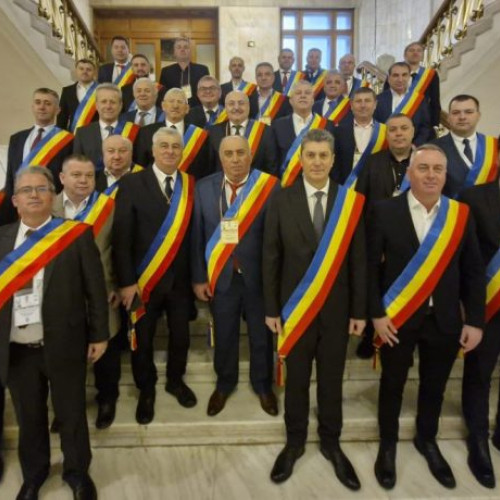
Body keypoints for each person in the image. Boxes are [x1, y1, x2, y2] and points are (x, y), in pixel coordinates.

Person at [368, 144, 485, 490]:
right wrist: (376, 314)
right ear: (409, 173)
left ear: (445, 175)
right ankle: (388, 444)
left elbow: (473, 271)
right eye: (423, 168)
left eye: (437, 169)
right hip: (397, 318)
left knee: (434, 386)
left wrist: (475, 320)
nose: (431, 175)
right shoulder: (385, 211)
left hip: (444, 319)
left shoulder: (460, 214)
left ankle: (426, 439)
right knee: (392, 383)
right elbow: (369, 267)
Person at [263, 129, 366, 489]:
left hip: (337, 311)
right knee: (296, 381)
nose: (318, 162)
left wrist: (358, 311)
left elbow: (359, 261)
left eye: (324, 155)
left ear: (334, 159)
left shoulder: (351, 201)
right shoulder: (281, 199)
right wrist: (271, 308)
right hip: (295, 311)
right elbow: (270, 257)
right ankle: (294, 442)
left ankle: (331, 442)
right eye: (311, 155)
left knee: (331, 379)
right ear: (301, 159)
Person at [0, 166, 108, 499]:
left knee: (71, 413)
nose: (34, 195)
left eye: (41, 189)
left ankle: (77, 473)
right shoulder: (1, 238)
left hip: (64, 343)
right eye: (26, 190)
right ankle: (34, 474)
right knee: (29, 416)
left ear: (52, 195)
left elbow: (95, 290)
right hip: (16, 349)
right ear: (15, 200)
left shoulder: (76, 235)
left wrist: (99, 335)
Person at [113, 127, 197, 425]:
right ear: (153, 150)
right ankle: (146, 389)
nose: (170, 151)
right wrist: (126, 282)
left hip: (180, 282)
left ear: (182, 151)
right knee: (143, 340)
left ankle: (175, 380)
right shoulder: (132, 183)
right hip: (142, 282)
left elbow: (195, 236)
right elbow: (121, 238)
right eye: (164, 146)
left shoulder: (190, 184)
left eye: (175, 146)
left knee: (181, 337)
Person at [191, 135, 278, 416]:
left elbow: (277, 238)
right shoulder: (203, 188)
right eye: (229, 154)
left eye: (241, 153)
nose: (236, 159)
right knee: (225, 334)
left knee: (261, 337)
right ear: (221, 158)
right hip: (221, 279)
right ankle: (224, 384)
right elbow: (197, 236)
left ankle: (263, 385)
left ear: (250, 156)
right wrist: (199, 277)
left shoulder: (270, 186)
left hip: (259, 279)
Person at [52, 155, 121, 430]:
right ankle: (67, 407)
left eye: (89, 176)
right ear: (62, 178)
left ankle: (107, 400)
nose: (83, 180)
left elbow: (121, 248)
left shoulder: (108, 206)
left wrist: (117, 285)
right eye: (77, 175)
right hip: (60, 296)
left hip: (102, 293)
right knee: (65, 357)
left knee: (106, 355)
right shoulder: (47, 207)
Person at [354, 113, 415, 359]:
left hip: (413, 240)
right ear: (386, 134)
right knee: (376, 287)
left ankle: (406, 336)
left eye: (403, 128)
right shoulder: (373, 162)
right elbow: (360, 202)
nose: (398, 133)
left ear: (412, 132)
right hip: (377, 240)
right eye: (393, 129)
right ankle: (370, 336)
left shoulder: (423, 161)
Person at [459, 172, 500, 488]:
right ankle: (478, 440)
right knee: (479, 373)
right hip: (487, 304)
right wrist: (469, 312)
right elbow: (467, 260)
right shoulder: (473, 197)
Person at [1, 88, 73, 225]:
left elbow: (67, 181)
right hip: (16, 211)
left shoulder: (68, 140)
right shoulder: (17, 138)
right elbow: (10, 178)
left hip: (49, 210)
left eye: (47, 103)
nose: (42, 107)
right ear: (32, 107)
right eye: (38, 102)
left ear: (58, 110)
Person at [134, 88, 210, 179]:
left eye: (180, 102)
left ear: (187, 109)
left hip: (190, 186)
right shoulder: (146, 133)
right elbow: (140, 167)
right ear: (163, 106)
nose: (175, 106)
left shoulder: (200, 135)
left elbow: (207, 169)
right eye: (171, 101)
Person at [433, 94, 498, 198]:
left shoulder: (495, 146)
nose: (462, 117)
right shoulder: (432, 148)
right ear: (448, 117)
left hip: (493, 207)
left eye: (469, 112)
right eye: (456, 113)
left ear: (478, 115)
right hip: (452, 207)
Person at [272, 80, 335, 186]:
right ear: (291, 101)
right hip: (287, 187)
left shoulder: (327, 125)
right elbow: (273, 163)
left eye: (307, 93)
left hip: (319, 186)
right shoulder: (277, 125)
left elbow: (333, 162)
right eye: (298, 93)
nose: (303, 96)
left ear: (313, 100)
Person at [207, 90, 277, 175]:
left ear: (248, 106)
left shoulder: (265, 131)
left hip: (255, 182)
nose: (236, 107)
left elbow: (271, 168)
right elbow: (209, 168)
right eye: (231, 104)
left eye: (241, 103)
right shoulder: (213, 132)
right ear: (225, 108)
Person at [73, 83, 138, 169]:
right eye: (103, 102)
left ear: (120, 105)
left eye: (113, 102)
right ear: (96, 105)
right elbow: (77, 166)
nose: (108, 106)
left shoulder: (134, 130)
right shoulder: (82, 133)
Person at [332, 87, 386, 185]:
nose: (363, 105)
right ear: (351, 105)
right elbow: (334, 164)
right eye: (358, 101)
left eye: (367, 101)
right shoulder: (338, 131)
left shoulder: (384, 131)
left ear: (375, 104)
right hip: (346, 187)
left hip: (377, 187)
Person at [374, 62, 432, 146]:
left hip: (413, 149)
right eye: (395, 75)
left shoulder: (419, 99)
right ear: (389, 78)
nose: (400, 79)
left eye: (404, 75)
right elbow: (374, 127)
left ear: (409, 77)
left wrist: (415, 146)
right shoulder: (377, 100)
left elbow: (425, 127)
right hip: (384, 148)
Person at [159, 37, 209, 107]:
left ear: (190, 51)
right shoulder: (166, 72)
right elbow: (162, 95)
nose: (182, 50)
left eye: (186, 47)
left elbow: (206, 92)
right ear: (174, 52)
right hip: (174, 108)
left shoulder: (202, 70)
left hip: (197, 109)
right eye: (179, 47)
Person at [404, 42, 441, 129]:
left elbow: (435, 101)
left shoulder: (431, 75)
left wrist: (435, 124)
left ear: (422, 56)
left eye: (419, 51)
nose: (415, 53)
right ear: (405, 55)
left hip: (423, 123)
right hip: (399, 119)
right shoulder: (395, 73)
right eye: (411, 50)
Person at [57, 58, 98, 131]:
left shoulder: (102, 90)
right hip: (74, 134)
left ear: (94, 72)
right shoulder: (67, 91)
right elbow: (62, 117)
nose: (85, 72)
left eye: (88, 69)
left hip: (96, 133)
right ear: (76, 71)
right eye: (81, 69)